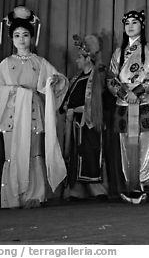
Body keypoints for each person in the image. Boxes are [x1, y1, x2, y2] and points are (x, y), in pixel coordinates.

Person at [0, 6, 69, 209]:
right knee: (12, 154)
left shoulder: (40, 63)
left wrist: (53, 81)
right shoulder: (5, 64)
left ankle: (34, 196)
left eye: (25, 34)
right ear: (11, 38)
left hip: (34, 114)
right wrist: (17, 91)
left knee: (34, 153)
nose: (21, 39)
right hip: (12, 115)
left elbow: (57, 82)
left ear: (32, 37)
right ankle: (12, 197)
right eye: (17, 35)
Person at [106, 10, 149, 205]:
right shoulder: (118, 52)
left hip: (144, 101)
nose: (130, 26)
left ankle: (141, 184)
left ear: (142, 26)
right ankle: (131, 185)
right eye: (127, 23)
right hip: (123, 102)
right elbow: (110, 78)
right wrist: (124, 93)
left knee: (146, 142)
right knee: (125, 144)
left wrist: (137, 91)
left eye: (134, 23)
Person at [60, 34, 108, 200]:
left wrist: (78, 110)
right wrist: (67, 107)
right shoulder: (77, 77)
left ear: (89, 58)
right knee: (76, 154)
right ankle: (77, 187)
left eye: (80, 57)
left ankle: (95, 186)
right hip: (75, 125)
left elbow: (100, 102)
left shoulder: (98, 76)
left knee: (90, 152)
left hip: (90, 124)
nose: (77, 61)